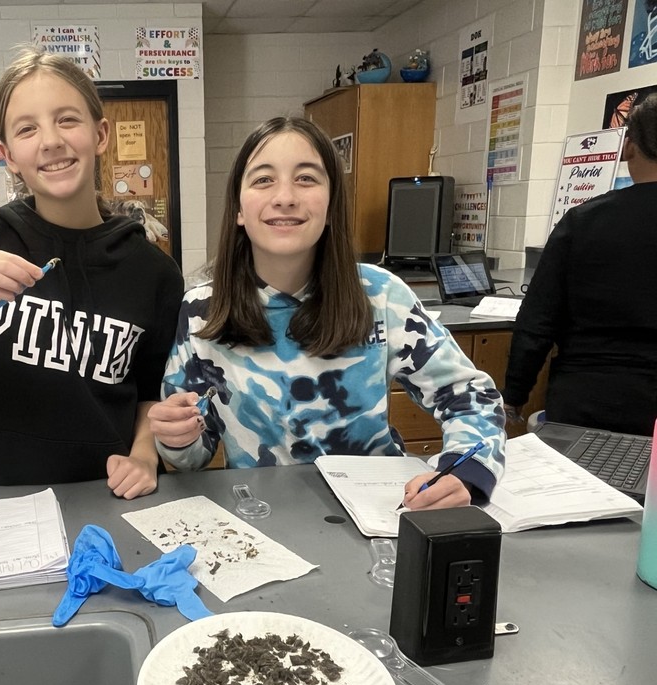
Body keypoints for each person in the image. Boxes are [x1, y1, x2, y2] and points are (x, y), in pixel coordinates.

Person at [148, 117, 505, 509]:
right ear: (238, 208)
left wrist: (463, 472)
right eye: (264, 179)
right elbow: (193, 458)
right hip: (261, 515)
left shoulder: (381, 296)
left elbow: (471, 397)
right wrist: (176, 439)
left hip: (378, 513)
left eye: (306, 178)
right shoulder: (202, 310)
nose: (285, 197)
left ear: (333, 205)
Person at [0, 46, 184, 498]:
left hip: (105, 493)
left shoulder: (153, 271)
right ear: (8, 154)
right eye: (27, 129)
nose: (50, 141)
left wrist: (143, 455)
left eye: (67, 119)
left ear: (100, 134)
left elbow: (149, 393)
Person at [503, 93, 657, 436]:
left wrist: (514, 395)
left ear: (629, 147)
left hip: (586, 400)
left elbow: (537, 321)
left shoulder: (583, 221)